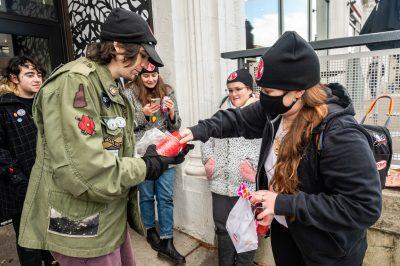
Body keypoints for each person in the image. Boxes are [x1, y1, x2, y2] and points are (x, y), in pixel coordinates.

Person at [179, 31, 381, 265]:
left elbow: (363, 206)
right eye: (262, 90)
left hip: (327, 250)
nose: (262, 98)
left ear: (298, 91)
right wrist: (194, 131)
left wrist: (282, 203)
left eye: (269, 93)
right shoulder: (276, 112)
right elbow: (235, 120)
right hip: (287, 234)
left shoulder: (340, 133)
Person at [17, 8, 192, 265]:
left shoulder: (109, 85)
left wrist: (151, 154)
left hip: (108, 218)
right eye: (143, 56)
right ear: (119, 47)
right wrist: (146, 166)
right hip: (83, 227)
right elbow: (85, 170)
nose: (145, 65)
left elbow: (110, 143)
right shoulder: (76, 83)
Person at [124, 64, 185, 264]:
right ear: (140, 76)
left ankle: (167, 240)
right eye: (146, 76)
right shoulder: (129, 93)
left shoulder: (167, 91)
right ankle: (150, 230)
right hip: (142, 152)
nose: (150, 80)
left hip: (165, 150)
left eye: (154, 75)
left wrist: (172, 112)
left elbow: (175, 126)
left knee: (166, 196)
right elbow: (124, 126)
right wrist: (142, 112)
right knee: (147, 195)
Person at [201, 69, 261, 266]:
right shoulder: (220, 114)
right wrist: (208, 159)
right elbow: (206, 139)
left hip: (245, 188)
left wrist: (255, 170)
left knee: (245, 232)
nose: (234, 94)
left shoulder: (260, 116)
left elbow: (271, 150)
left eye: (238, 89)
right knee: (222, 229)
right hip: (219, 185)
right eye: (230, 90)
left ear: (249, 89)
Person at [0, 56, 56, 265]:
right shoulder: (4, 106)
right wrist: (18, 178)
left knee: (51, 232)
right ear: (14, 78)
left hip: (49, 180)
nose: (37, 79)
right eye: (29, 75)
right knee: (28, 239)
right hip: (20, 186)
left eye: (39, 74)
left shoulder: (46, 102)